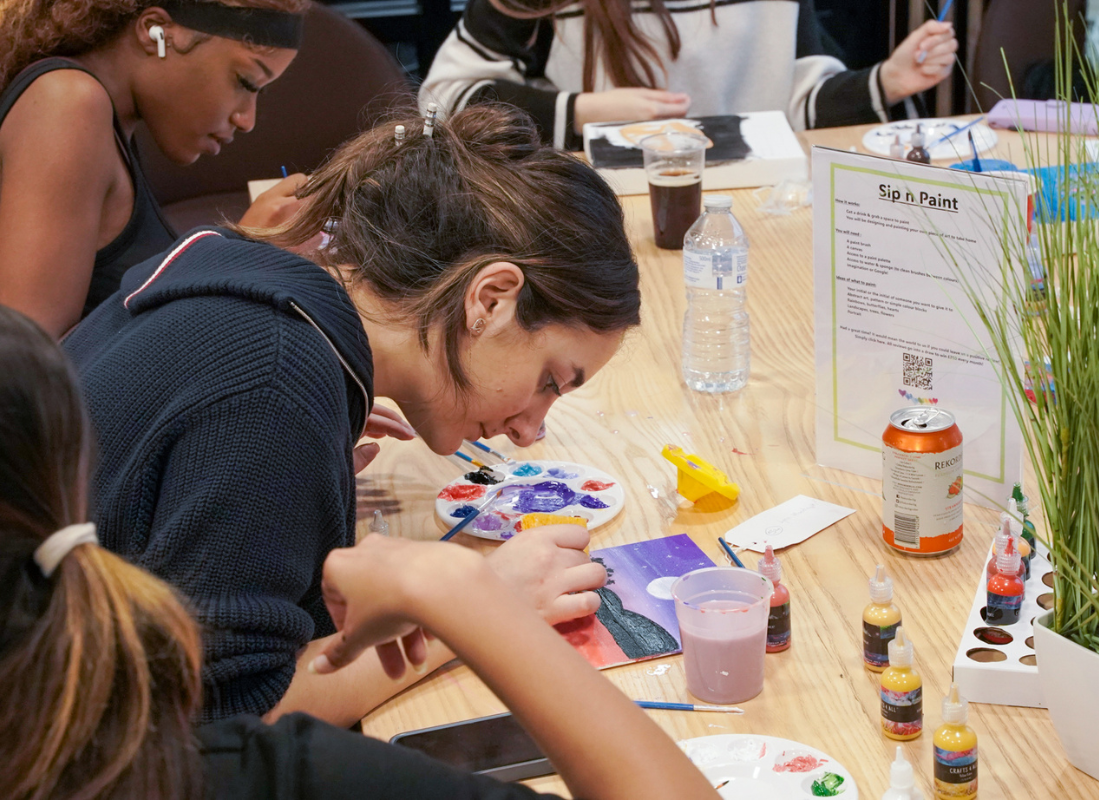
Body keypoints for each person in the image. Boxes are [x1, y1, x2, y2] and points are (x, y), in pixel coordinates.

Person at [62, 103, 638, 727]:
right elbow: (226, 724)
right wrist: (479, 609)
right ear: (490, 299)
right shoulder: (274, 384)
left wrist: (299, 467)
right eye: (549, 381)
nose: (532, 429)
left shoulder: (253, 278)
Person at [0, 304, 720, 800]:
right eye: (550, 382)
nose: (532, 430)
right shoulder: (221, 774)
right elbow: (240, 711)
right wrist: (462, 600)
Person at [0, 0, 311, 338]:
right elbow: (26, 365)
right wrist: (232, 258)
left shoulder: (110, 125)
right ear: (156, 33)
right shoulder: (66, 103)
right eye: (245, 81)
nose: (247, 119)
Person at [419, 0, 958, 150]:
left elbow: (793, 102)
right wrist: (582, 113)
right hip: (591, 229)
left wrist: (887, 80)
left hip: (753, 216)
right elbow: (443, 102)